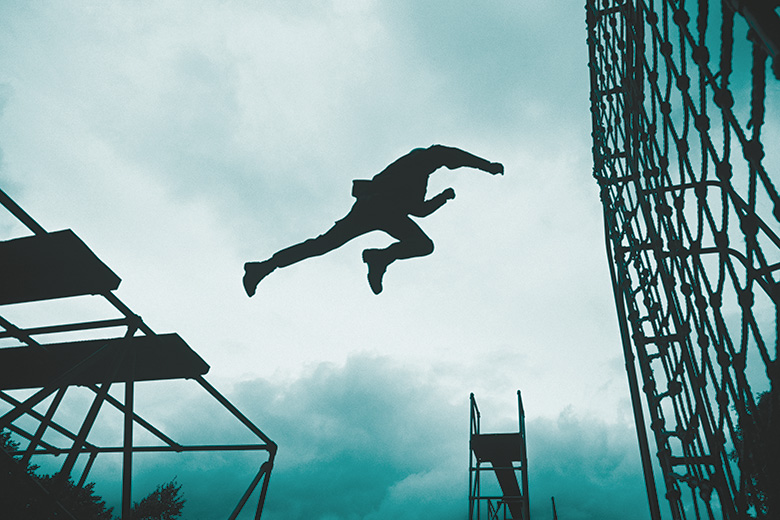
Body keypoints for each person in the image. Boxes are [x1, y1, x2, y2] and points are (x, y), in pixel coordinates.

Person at [243, 144, 504, 296]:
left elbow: (420, 210)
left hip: (386, 214)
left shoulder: (420, 181)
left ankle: (380, 258)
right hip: (374, 206)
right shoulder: (420, 159)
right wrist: (486, 165)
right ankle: (263, 267)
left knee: (423, 245)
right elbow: (452, 155)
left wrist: (442, 198)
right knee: (323, 245)